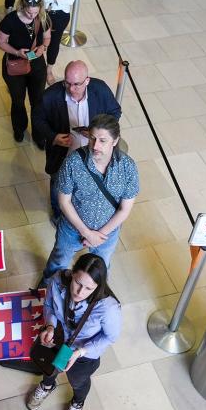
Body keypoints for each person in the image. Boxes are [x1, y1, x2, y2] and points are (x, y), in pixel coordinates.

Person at [40, 113, 138, 283]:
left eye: (102, 140)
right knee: (58, 261)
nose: (95, 145)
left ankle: (95, 294)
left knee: (101, 266)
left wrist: (99, 234)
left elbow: (125, 209)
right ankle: (47, 286)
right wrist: (86, 232)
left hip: (107, 233)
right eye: (92, 138)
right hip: (72, 228)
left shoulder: (128, 168)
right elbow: (64, 201)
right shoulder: (73, 162)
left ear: (115, 141)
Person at [26, 253, 120, 410]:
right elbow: (49, 305)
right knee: (49, 366)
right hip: (58, 336)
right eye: (77, 282)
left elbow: (111, 337)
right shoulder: (58, 279)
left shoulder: (108, 308)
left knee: (78, 381)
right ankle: (47, 386)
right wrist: (50, 326)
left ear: (98, 286)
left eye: (89, 288)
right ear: (72, 273)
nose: (80, 292)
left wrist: (81, 351)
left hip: (84, 352)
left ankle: (78, 402)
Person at [32, 61, 121, 219]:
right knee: (58, 182)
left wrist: (99, 132)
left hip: (92, 153)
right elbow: (38, 119)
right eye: (67, 83)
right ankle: (57, 212)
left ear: (87, 80)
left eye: (77, 84)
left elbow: (115, 111)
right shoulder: (51, 96)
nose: (71, 89)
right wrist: (53, 137)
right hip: (62, 154)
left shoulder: (100, 90)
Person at [0, 0, 51, 143]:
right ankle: (19, 128)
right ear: (22, 6)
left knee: (38, 100)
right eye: (29, 12)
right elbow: (1, 42)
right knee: (18, 100)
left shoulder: (43, 17)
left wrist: (43, 48)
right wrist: (17, 52)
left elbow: (47, 37)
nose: (32, 16)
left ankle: (39, 133)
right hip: (15, 65)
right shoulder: (10, 20)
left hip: (37, 65)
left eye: (35, 12)